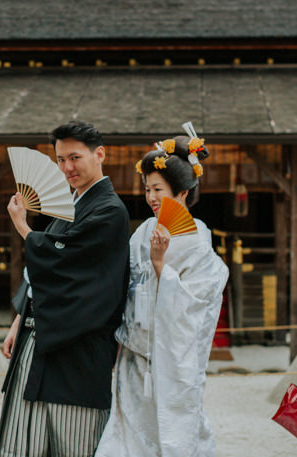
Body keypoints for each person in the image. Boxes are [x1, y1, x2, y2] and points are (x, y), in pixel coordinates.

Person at [0, 120, 130, 457]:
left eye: (75, 157)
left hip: (77, 352)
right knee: (21, 446)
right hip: (37, 343)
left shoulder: (110, 211)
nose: (67, 167)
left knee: (74, 447)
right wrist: (18, 319)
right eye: (60, 159)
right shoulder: (70, 208)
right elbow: (41, 274)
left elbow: (62, 263)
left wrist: (24, 228)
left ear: (99, 155)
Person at [95, 131, 228, 457]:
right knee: (125, 435)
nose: (151, 197)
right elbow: (122, 284)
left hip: (171, 363)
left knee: (171, 435)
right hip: (133, 354)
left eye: (158, 190)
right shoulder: (143, 232)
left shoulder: (197, 241)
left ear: (182, 191)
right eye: (147, 189)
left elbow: (196, 304)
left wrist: (160, 267)